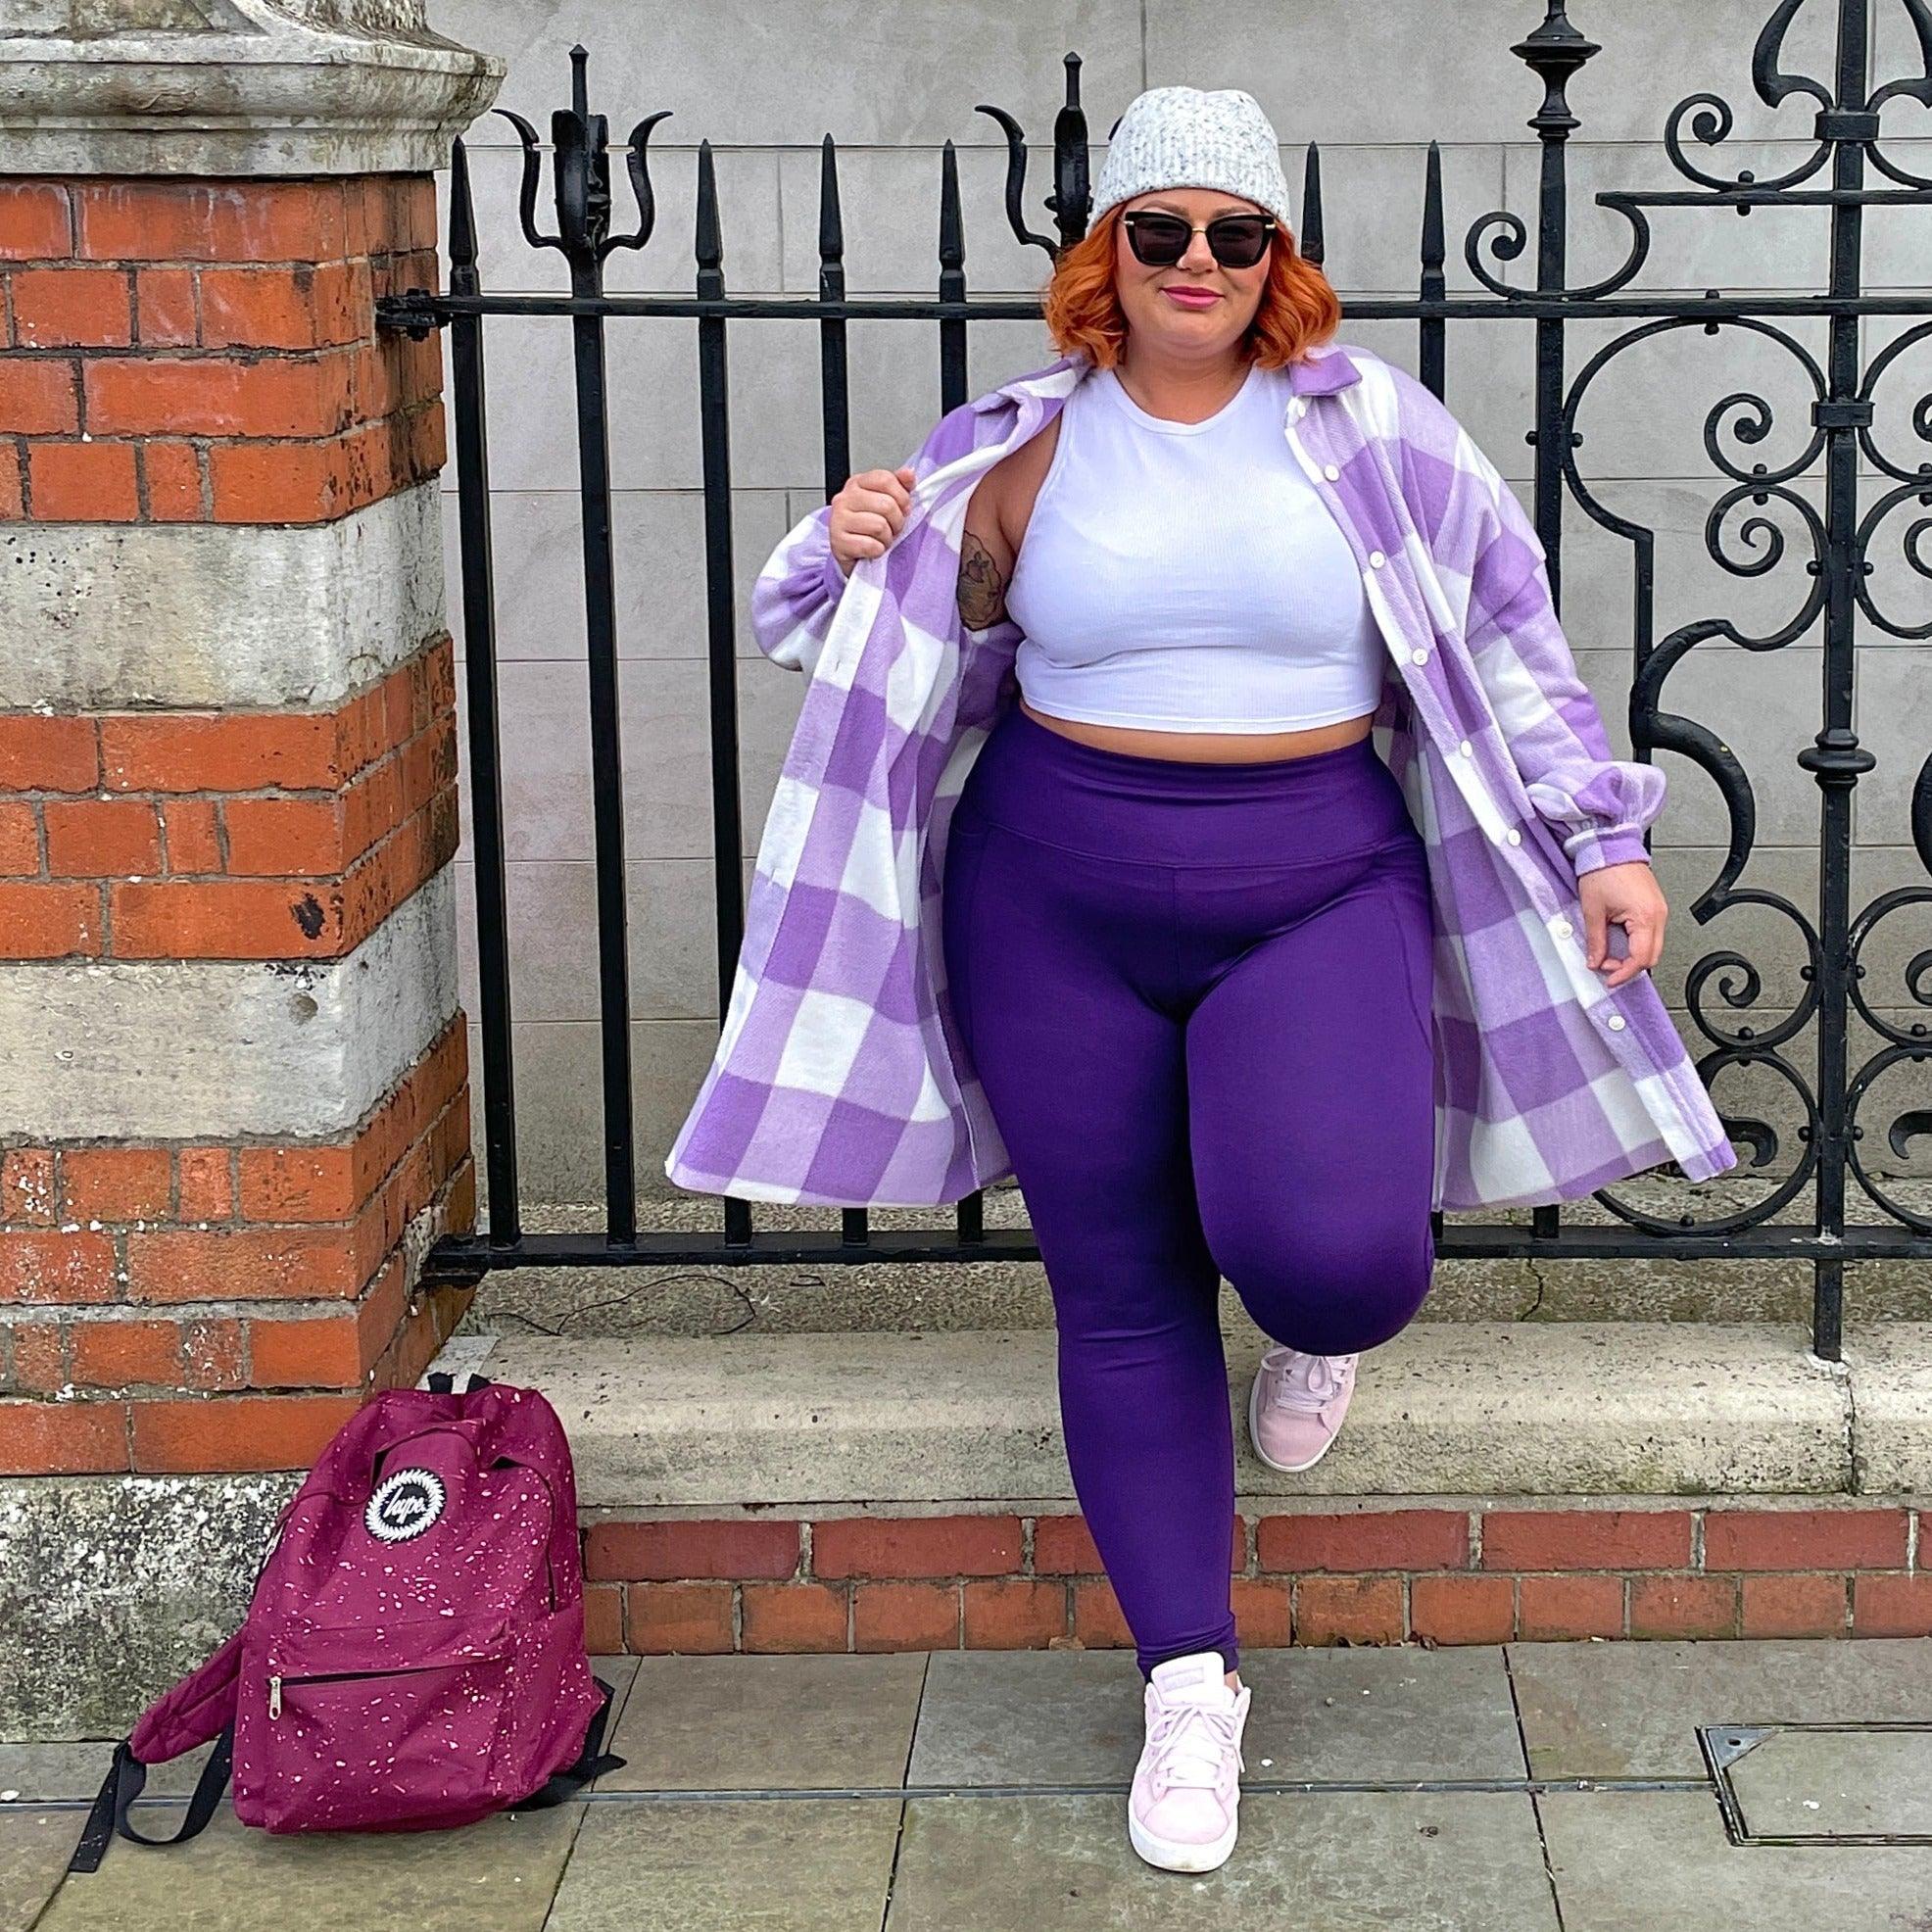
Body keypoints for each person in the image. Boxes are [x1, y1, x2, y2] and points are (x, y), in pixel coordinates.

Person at [667, 82, 1736, 1878]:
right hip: (1050, 893)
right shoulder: (1019, 441)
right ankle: (1188, 1678)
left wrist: (1601, 837)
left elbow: (1508, 631)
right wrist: (844, 538)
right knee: (1121, 1290)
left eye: (1235, 234)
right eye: (1158, 229)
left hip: (1316, 881)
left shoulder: (1373, 432)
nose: (1197, 263)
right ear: (1108, 251)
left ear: (1276, 256)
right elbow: (833, 625)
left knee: (1338, 1257)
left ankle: (1313, 1337)